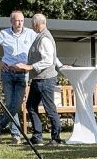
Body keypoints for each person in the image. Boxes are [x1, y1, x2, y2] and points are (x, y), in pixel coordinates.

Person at [0, 10, 37, 145]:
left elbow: (44, 46)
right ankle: (15, 136)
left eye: (22, 20)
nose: (20, 23)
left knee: (15, 105)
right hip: (8, 73)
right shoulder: (4, 34)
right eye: (17, 20)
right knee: (10, 105)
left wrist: (58, 63)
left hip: (22, 74)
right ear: (11, 21)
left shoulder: (31, 34)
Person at [14, 14, 64, 146]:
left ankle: (56, 139)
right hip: (38, 79)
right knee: (31, 106)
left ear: (36, 24)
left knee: (50, 109)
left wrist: (30, 66)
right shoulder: (43, 36)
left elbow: (48, 59)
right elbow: (52, 57)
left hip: (45, 79)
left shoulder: (44, 39)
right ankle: (37, 137)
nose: (31, 25)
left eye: (32, 23)